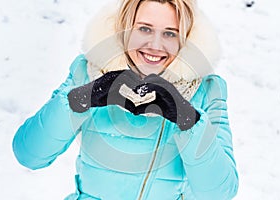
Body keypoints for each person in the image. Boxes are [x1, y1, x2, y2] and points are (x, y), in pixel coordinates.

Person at [12, 0, 239, 199]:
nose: (155, 46)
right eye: (144, 29)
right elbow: (29, 155)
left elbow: (220, 192)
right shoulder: (88, 71)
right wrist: (78, 100)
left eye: (170, 33)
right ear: (126, 27)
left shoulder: (206, 89)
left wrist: (189, 120)